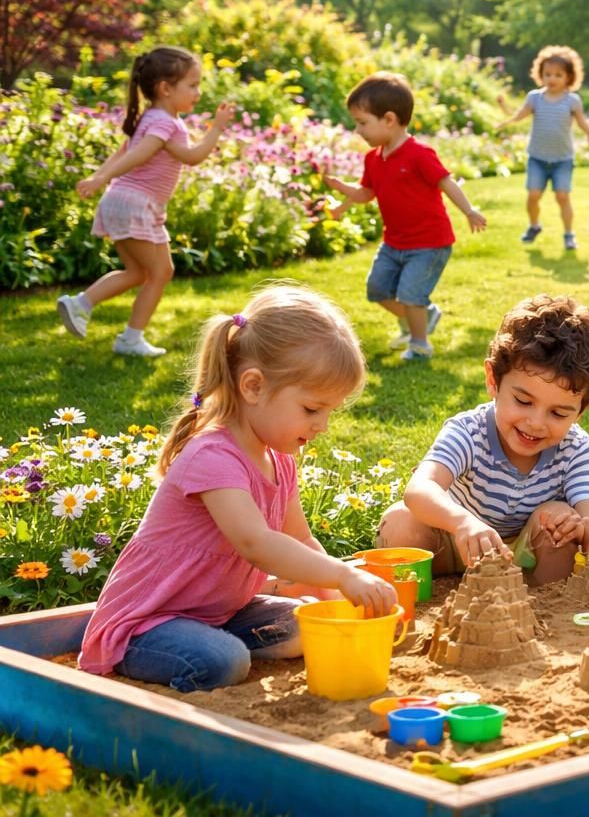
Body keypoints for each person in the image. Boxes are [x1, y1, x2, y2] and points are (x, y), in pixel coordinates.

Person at [78, 285, 397, 692]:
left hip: (221, 612)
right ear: (253, 386)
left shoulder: (279, 460)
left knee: (310, 621)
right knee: (224, 661)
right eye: (312, 409)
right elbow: (256, 543)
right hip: (148, 622)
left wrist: (342, 603)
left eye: (329, 411)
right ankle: (176, 663)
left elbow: (299, 538)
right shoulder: (213, 455)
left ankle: (221, 639)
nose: (322, 426)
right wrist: (344, 575)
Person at [375, 294, 589, 585]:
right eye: (523, 401)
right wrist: (463, 522)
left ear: (581, 411)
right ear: (493, 379)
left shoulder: (576, 448)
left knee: (561, 517)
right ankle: (428, 601)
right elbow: (419, 489)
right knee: (401, 523)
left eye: (558, 413)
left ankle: (549, 610)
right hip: (458, 545)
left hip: (528, 557)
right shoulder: (469, 431)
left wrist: (579, 529)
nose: (536, 423)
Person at [58, 46, 237, 356]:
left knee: (143, 272)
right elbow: (187, 157)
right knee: (158, 273)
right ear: (165, 88)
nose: (198, 91)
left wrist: (100, 176)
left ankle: (91, 310)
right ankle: (111, 325)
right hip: (136, 205)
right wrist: (217, 129)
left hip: (126, 202)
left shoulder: (152, 118)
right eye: (192, 85)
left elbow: (124, 151)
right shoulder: (166, 123)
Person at [323, 72, 487, 360]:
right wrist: (341, 196)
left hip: (428, 243)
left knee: (411, 295)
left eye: (363, 123)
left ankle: (420, 343)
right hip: (394, 242)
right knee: (377, 289)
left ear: (389, 119)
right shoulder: (373, 158)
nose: (358, 130)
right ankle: (424, 315)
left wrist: (470, 210)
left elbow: (446, 182)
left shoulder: (419, 154)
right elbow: (366, 192)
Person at [499, 45, 589, 251]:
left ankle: (569, 234)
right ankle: (534, 226)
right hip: (537, 158)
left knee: (562, 196)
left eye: (558, 75)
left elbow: (581, 121)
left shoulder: (572, 100)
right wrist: (504, 110)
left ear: (569, 77)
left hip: (562, 159)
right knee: (533, 195)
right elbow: (519, 115)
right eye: (547, 74)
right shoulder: (534, 98)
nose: (551, 79)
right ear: (540, 74)